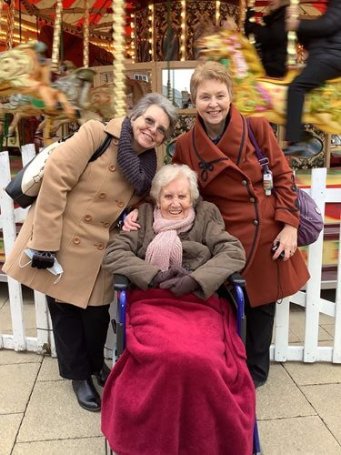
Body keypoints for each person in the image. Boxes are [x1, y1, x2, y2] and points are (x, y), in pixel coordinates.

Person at [124, 61, 310, 388]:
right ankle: (224, 366)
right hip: (219, 235)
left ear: (230, 96)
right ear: (193, 101)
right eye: (204, 97)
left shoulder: (257, 128)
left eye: (219, 95)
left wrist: (290, 225)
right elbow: (175, 189)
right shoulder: (185, 145)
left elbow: (283, 176)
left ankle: (255, 375)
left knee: (261, 306)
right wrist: (142, 210)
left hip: (264, 231)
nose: (213, 104)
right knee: (221, 305)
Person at [3, 93, 178, 412]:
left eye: (161, 129)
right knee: (66, 311)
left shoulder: (152, 163)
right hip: (63, 234)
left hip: (102, 242)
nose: (152, 130)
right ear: (135, 116)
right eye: (148, 120)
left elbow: (141, 199)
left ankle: (96, 364)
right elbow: (56, 180)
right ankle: (79, 376)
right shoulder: (96, 134)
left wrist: (135, 213)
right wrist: (44, 241)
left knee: (97, 313)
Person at [101, 163, 255, 455]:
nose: (175, 203)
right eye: (168, 196)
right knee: (166, 356)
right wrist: (153, 275)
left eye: (182, 197)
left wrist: (196, 279)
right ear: (157, 197)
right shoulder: (142, 218)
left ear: (192, 198)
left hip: (199, 302)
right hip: (152, 301)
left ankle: (199, 436)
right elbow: (114, 254)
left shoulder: (207, 215)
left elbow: (233, 252)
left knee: (204, 359)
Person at [284, 0, 341, 157]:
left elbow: (328, 25)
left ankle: (299, 140)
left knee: (296, 87)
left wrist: (298, 24)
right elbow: (322, 30)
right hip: (327, 55)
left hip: (332, 56)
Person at [244, 0, 289, 78]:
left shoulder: (283, 16)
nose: (270, 1)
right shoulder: (272, 18)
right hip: (268, 65)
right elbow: (250, 32)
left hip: (276, 68)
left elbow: (270, 37)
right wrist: (250, 11)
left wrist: (253, 25)